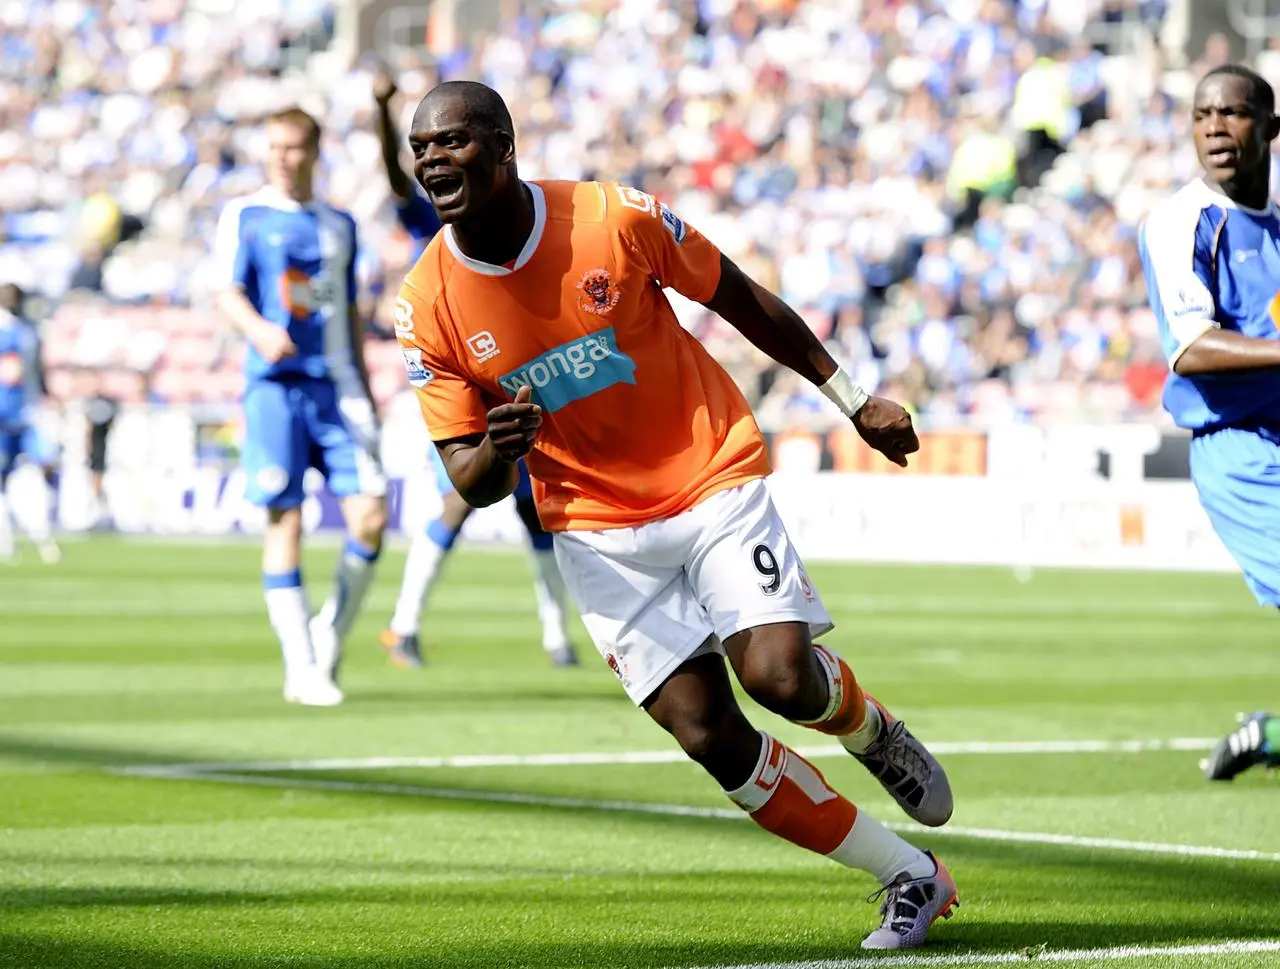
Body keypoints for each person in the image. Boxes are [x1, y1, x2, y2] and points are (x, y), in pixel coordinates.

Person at [394, 80, 958, 950]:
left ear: (505, 147)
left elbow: (739, 298)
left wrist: (850, 398)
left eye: (452, 141)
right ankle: (908, 874)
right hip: (594, 528)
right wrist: (500, 449)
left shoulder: (612, 217)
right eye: (420, 147)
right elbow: (469, 480)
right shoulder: (424, 301)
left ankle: (868, 725)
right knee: (707, 732)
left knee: (778, 677)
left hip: (707, 473)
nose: (433, 160)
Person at [372, 67, 577, 668]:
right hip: (462, 368)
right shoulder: (434, 225)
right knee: (460, 502)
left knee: (537, 512)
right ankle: (403, 624)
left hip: (522, 364)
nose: (435, 164)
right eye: (422, 150)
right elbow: (394, 181)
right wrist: (382, 112)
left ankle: (556, 634)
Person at [214, 107, 387, 707]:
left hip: (338, 388)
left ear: (315, 151)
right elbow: (225, 291)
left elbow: (350, 314)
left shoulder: (339, 225)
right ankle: (301, 667)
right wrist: (260, 331)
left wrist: (366, 389)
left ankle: (326, 639)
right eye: (272, 148)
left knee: (370, 517)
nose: (281, 159)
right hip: (275, 387)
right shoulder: (246, 214)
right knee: (284, 518)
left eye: (292, 148)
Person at [1137, 65, 1280, 782]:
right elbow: (1190, 349)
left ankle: (1273, 734)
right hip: (1242, 453)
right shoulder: (1182, 222)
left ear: (1271, 130)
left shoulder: (1277, 228)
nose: (1217, 127)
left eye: (1236, 113)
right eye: (1204, 114)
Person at [0, 283, 60, 564]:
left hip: (18, 415)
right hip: (20, 414)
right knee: (33, 471)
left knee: (24, 473)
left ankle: (18, 539)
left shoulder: (23, 332)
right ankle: (32, 537)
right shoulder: (21, 333)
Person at [82, 368, 119, 530]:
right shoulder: (92, 402)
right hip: (98, 448)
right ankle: (99, 514)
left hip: (102, 448)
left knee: (98, 480)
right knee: (95, 480)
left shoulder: (105, 403)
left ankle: (101, 514)